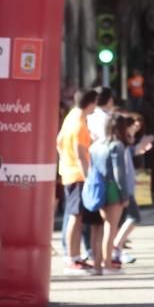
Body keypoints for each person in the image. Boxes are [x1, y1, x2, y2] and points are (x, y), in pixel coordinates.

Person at [57, 89, 99, 274]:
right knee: (76, 216)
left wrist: (65, 161)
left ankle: (74, 256)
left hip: (68, 171)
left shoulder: (71, 117)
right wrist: (89, 177)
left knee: (75, 215)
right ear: (91, 102)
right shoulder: (79, 123)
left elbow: (58, 142)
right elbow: (82, 154)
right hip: (78, 175)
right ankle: (71, 258)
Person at [89, 111, 133, 274]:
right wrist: (125, 195)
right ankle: (107, 264)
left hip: (98, 188)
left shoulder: (96, 145)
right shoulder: (117, 146)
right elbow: (119, 173)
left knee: (98, 228)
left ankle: (97, 264)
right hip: (113, 189)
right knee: (110, 228)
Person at [113, 112, 152, 265]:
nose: (135, 129)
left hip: (126, 187)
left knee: (123, 220)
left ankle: (116, 249)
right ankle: (115, 247)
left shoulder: (123, 143)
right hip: (124, 189)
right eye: (132, 126)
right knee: (133, 217)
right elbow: (120, 170)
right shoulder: (119, 145)